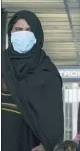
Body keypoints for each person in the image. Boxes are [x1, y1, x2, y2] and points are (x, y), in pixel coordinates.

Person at [1, 10, 64, 151]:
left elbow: (54, 119)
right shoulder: (2, 62)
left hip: (30, 145)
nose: (23, 34)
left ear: (37, 34)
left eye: (28, 30)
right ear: (10, 33)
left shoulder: (47, 72)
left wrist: (45, 146)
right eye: (18, 29)